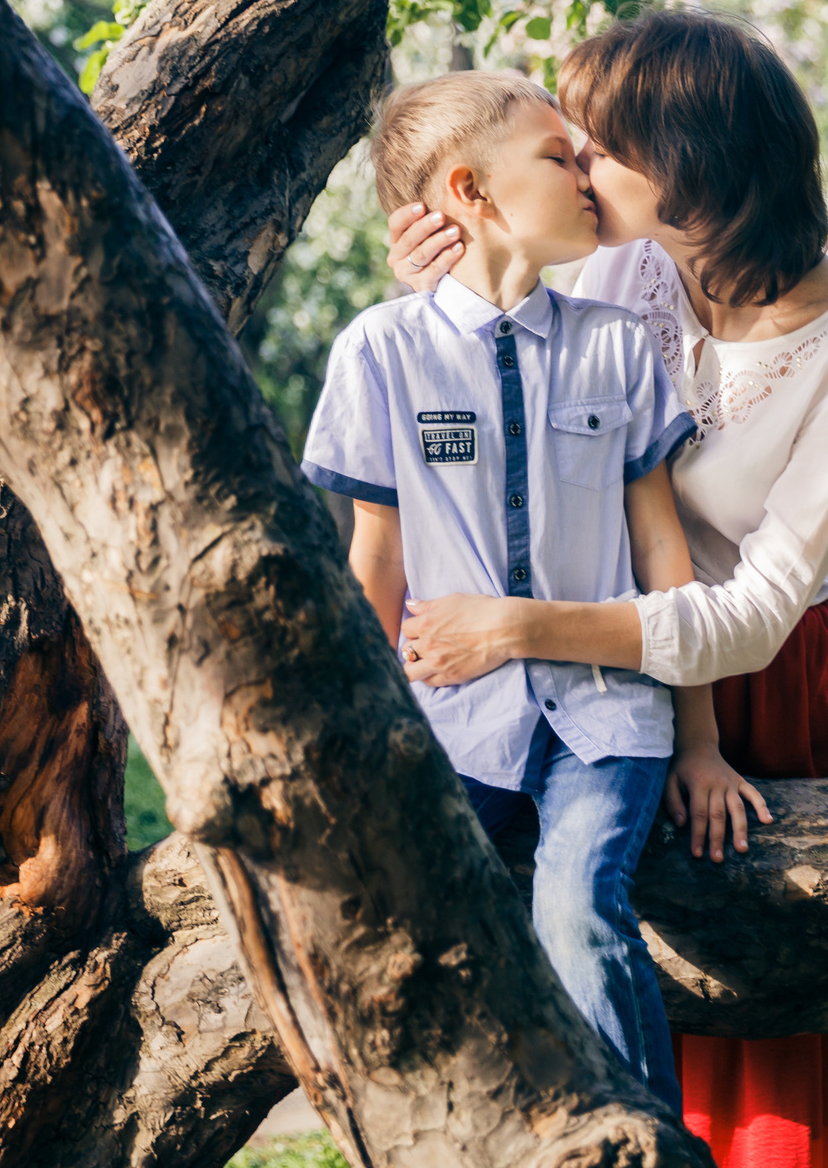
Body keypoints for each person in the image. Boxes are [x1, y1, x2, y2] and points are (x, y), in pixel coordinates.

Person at [391, 8, 828, 1168]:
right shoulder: (623, 263)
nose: (574, 162)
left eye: (596, 146)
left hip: (751, 690)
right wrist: (442, 282)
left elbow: (752, 611)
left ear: (688, 168)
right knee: (564, 931)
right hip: (561, 670)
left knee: (759, 1022)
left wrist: (555, 644)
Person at [300, 67, 768, 1113]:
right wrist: (364, 742)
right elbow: (376, 560)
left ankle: (645, 1143)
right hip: (452, 722)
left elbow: (664, 560)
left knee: (575, 909)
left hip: (611, 718)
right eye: (560, 159)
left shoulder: (615, 346)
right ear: (471, 192)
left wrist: (699, 743)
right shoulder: (380, 352)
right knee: (401, 910)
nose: (586, 179)